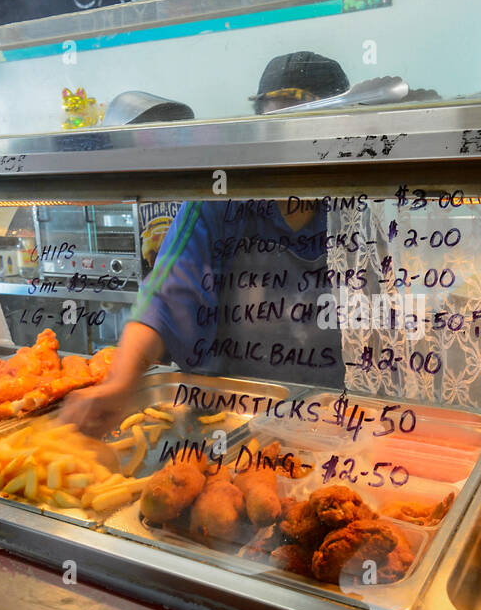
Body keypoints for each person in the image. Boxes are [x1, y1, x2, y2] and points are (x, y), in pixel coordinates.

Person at [62, 53, 350, 435]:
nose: (286, 142)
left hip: (339, 416)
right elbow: (167, 296)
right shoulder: (220, 199)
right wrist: (121, 382)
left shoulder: (359, 206)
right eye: (274, 123)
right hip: (231, 416)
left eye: (301, 123)